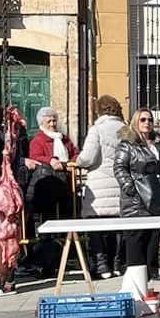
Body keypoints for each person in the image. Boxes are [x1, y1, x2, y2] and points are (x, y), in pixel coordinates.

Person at [114, 107, 160, 285]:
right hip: (135, 200)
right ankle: (136, 279)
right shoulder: (127, 144)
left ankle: (150, 273)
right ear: (135, 122)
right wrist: (130, 188)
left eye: (149, 119)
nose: (147, 123)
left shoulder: (158, 143)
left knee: (153, 238)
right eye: (142, 120)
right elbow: (119, 168)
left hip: (157, 196)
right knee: (136, 239)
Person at [76, 95, 127, 279]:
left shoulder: (97, 129)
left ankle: (102, 266)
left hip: (100, 185)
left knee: (96, 226)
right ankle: (116, 265)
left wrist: (78, 161)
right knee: (117, 228)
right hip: (120, 184)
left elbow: (88, 157)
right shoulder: (125, 129)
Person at [24, 106, 78, 271]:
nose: (53, 124)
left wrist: (72, 163)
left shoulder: (64, 139)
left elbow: (75, 153)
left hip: (66, 185)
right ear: (42, 123)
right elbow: (35, 156)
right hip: (47, 187)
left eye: (54, 120)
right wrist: (51, 160)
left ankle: (65, 256)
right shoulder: (38, 140)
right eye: (49, 121)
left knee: (65, 218)